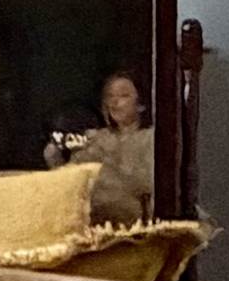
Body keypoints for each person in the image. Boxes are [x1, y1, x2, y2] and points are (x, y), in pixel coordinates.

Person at [45, 69, 155, 226]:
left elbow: (147, 182)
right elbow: (73, 180)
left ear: (141, 104)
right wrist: (55, 160)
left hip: (135, 225)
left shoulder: (151, 138)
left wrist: (109, 160)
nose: (115, 102)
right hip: (91, 224)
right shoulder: (96, 138)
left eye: (124, 96)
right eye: (110, 96)